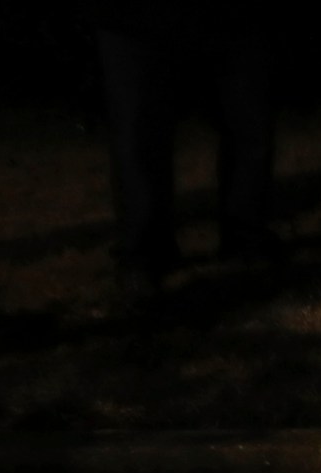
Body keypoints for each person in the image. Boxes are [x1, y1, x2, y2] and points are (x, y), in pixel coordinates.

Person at [93, 4, 283, 290]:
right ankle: (143, 250)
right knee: (139, 132)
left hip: (236, 14)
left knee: (248, 122)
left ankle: (248, 237)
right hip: (132, 17)